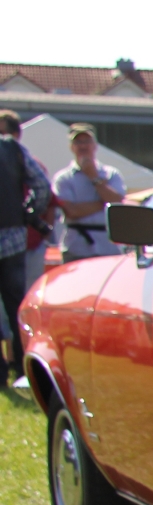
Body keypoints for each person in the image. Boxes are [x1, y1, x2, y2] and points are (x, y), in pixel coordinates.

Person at [0, 120, 52, 389]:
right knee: (16, 306)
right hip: (12, 237)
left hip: (11, 234)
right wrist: (29, 210)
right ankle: (23, 369)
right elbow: (42, 186)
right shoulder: (13, 149)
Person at [53, 124, 126, 261]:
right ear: (71, 147)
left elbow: (116, 201)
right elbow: (71, 211)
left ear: (95, 145)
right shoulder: (63, 178)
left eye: (87, 141)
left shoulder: (111, 174)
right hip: (77, 247)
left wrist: (94, 177)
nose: (83, 146)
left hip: (108, 247)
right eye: (78, 142)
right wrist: (104, 202)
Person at [0, 110, 55, 289]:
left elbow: (49, 201)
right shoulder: (22, 156)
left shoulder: (24, 158)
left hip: (29, 244)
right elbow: (42, 189)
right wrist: (28, 213)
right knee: (19, 303)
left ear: (15, 134)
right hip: (17, 238)